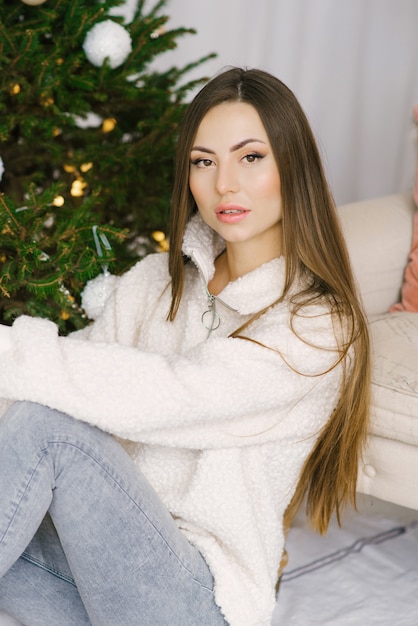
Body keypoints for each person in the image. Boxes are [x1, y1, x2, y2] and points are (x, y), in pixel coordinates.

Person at [0, 67, 370, 626]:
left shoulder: (317, 327)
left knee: (48, 431)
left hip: (196, 598)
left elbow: (174, 393)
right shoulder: (155, 281)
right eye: (204, 161)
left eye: (251, 157)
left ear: (293, 167)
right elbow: (67, 379)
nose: (225, 184)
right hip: (96, 570)